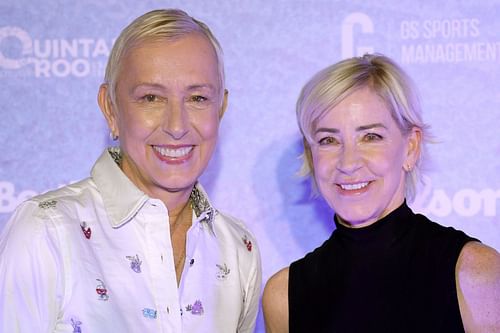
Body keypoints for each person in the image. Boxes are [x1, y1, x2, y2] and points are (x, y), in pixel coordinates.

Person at [0, 9, 261, 332]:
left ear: (220, 108)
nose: (177, 126)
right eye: (151, 98)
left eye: (197, 98)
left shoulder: (238, 249)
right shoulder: (47, 231)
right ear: (111, 108)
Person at [262, 54, 500, 332]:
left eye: (370, 137)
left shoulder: (475, 274)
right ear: (310, 154)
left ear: (411, 147)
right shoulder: (284, 296)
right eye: (328, 140)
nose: (348, 163)